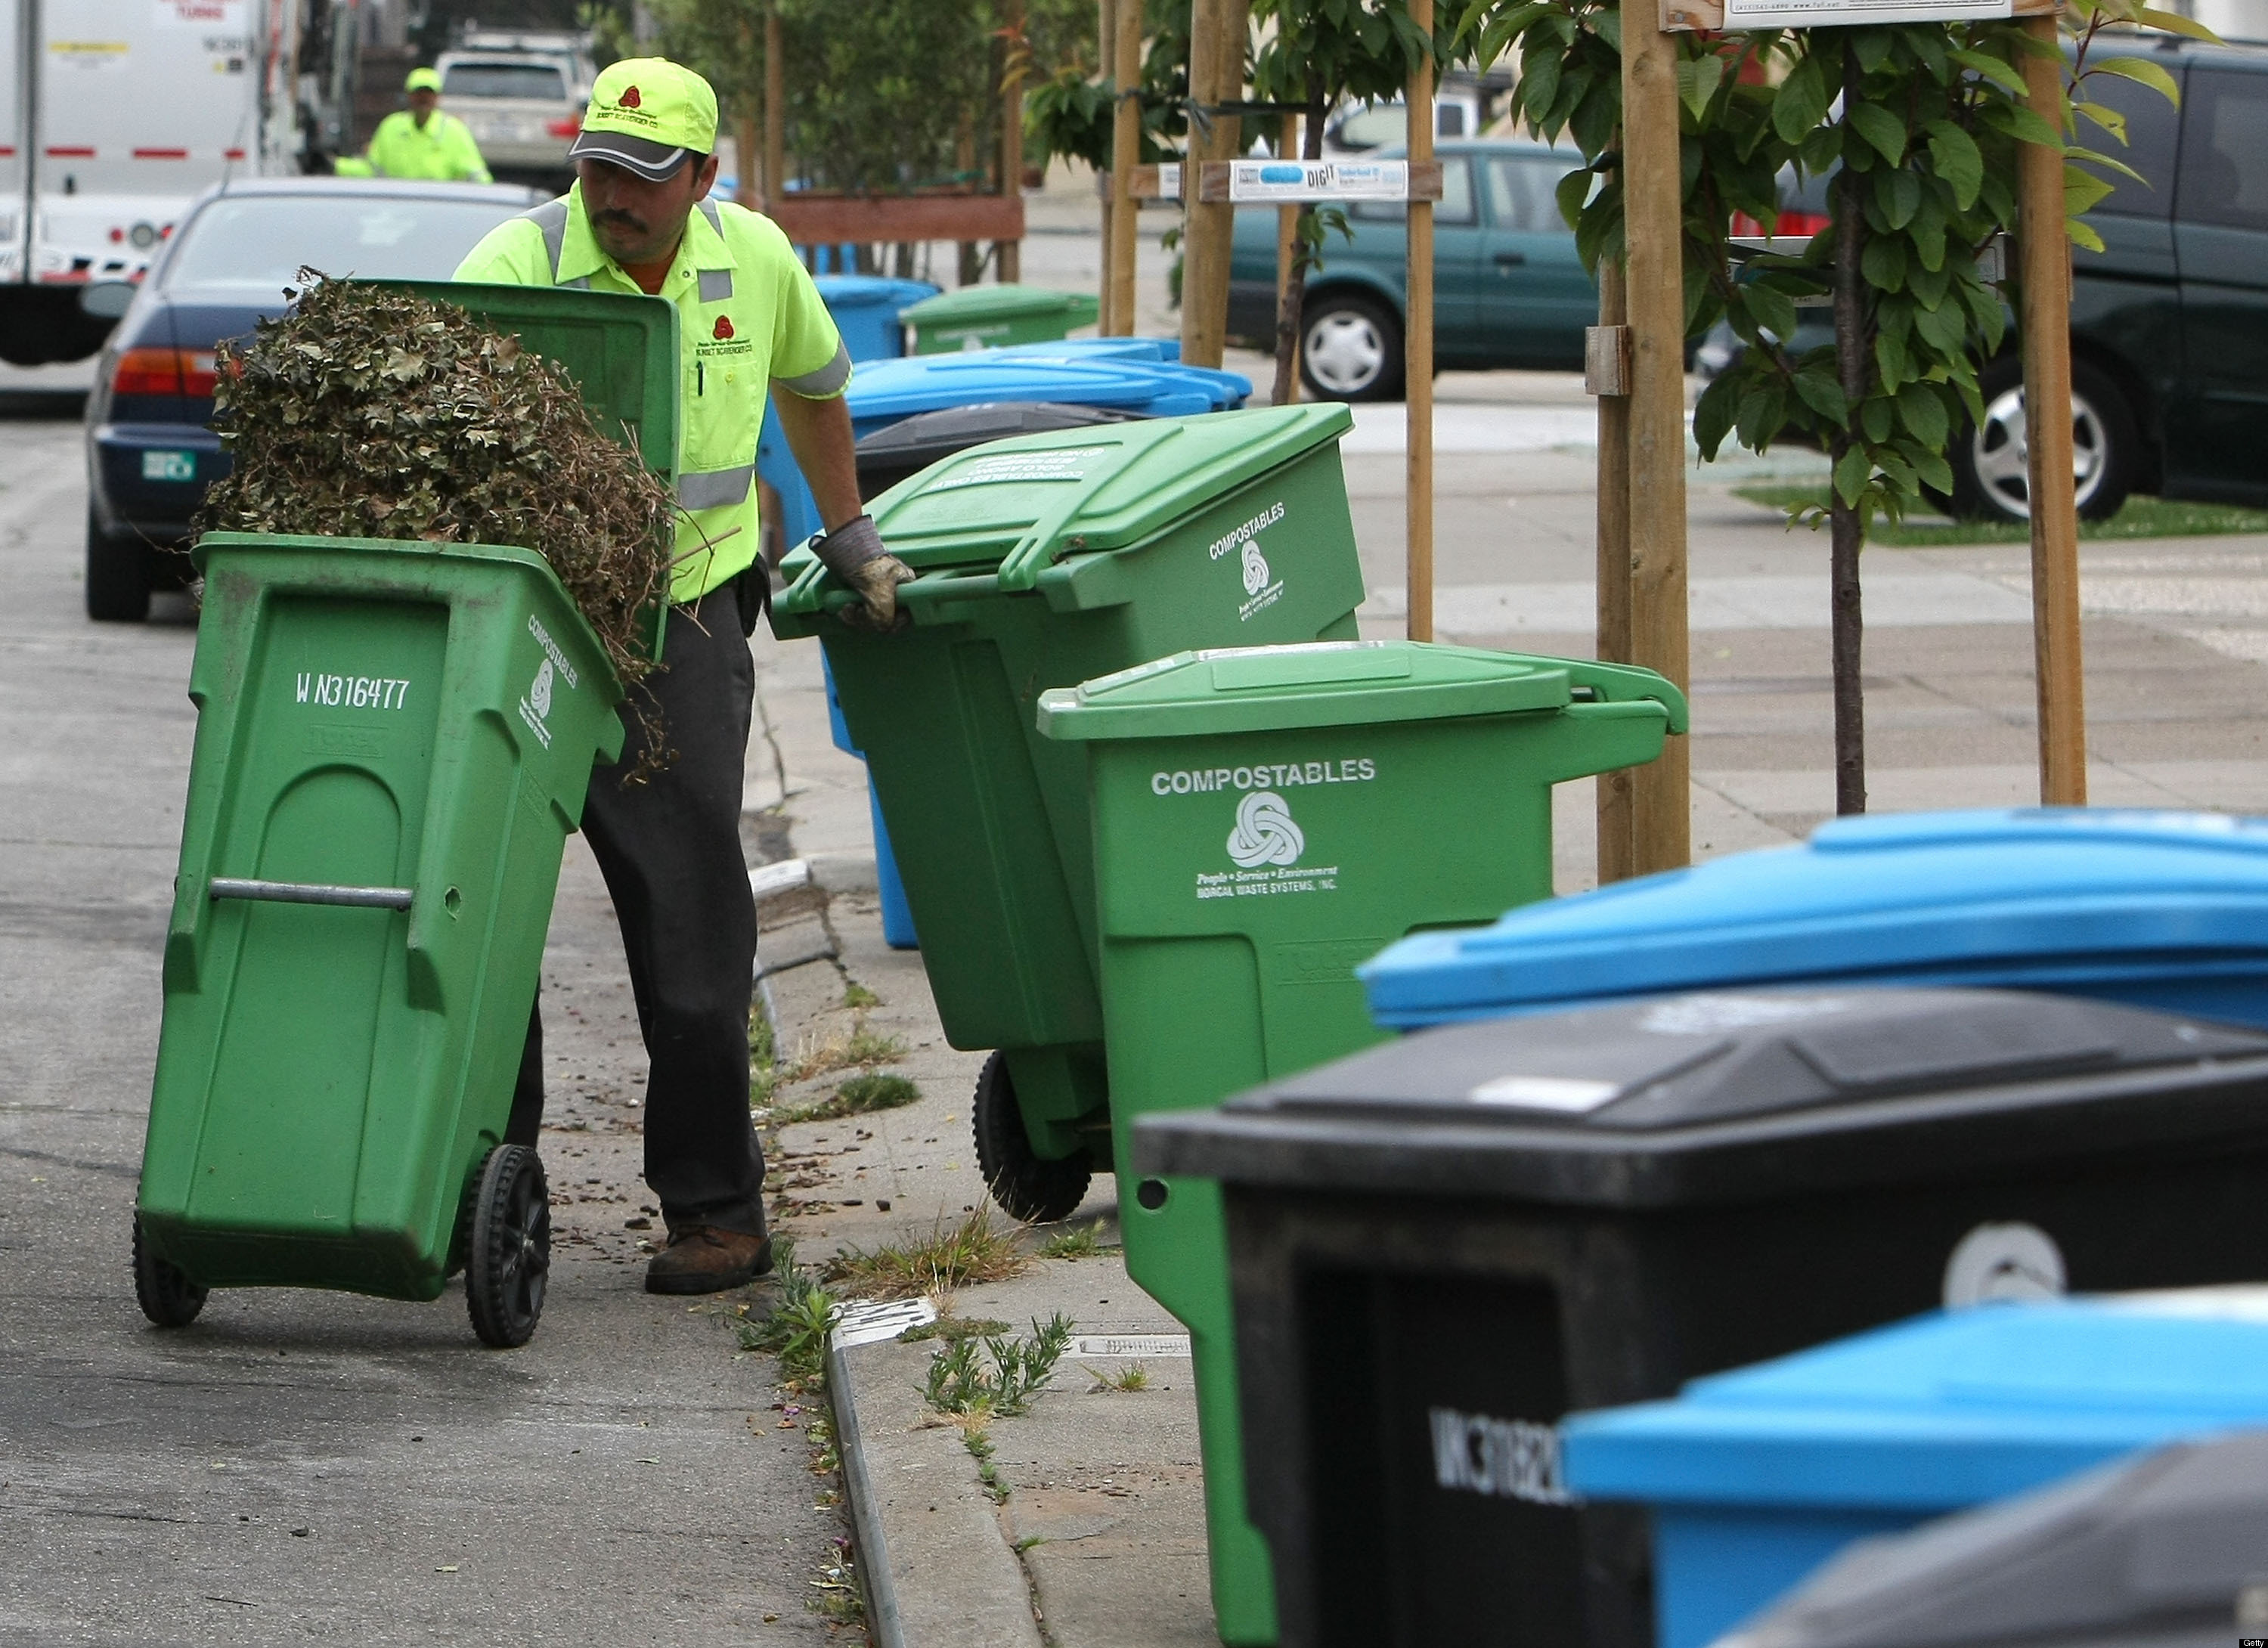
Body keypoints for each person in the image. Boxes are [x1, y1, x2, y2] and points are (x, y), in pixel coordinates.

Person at [454, 57, 912, 1295]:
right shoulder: (519, 266)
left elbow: (817, 386)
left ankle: (716, 1209)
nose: (617, 196)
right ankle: (477, 1189)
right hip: (531, 629)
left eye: (648, 177)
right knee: (479, 912)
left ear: (705, 179)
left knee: (696, 926)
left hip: (686, 626)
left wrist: (848, 527)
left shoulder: (752, 261)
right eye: (601, 167)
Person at [364, 67, 493, 183]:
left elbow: (476, 175)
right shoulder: (391, 127)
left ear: (437, 97)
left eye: (429, 94)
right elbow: (371, 169)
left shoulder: (454, 131)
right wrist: (343, 167)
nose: (423, 99)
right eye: (418, 93)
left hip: (441, 206)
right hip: (400, 205)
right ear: (409, 96)